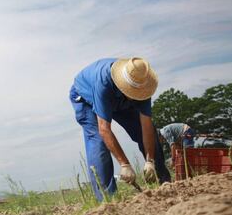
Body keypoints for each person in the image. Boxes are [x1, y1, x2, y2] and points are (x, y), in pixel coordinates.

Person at [69, 57, 171, 201]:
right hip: (86, 98)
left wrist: (150, 160)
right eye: (132, 91)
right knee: (98, 141)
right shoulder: (103, 83)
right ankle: (108, 200)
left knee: (148, 132)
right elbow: (104, 129)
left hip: (121, 99)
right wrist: (125, 164)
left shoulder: (143, 84)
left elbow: (146, 126)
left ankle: (165, 184)